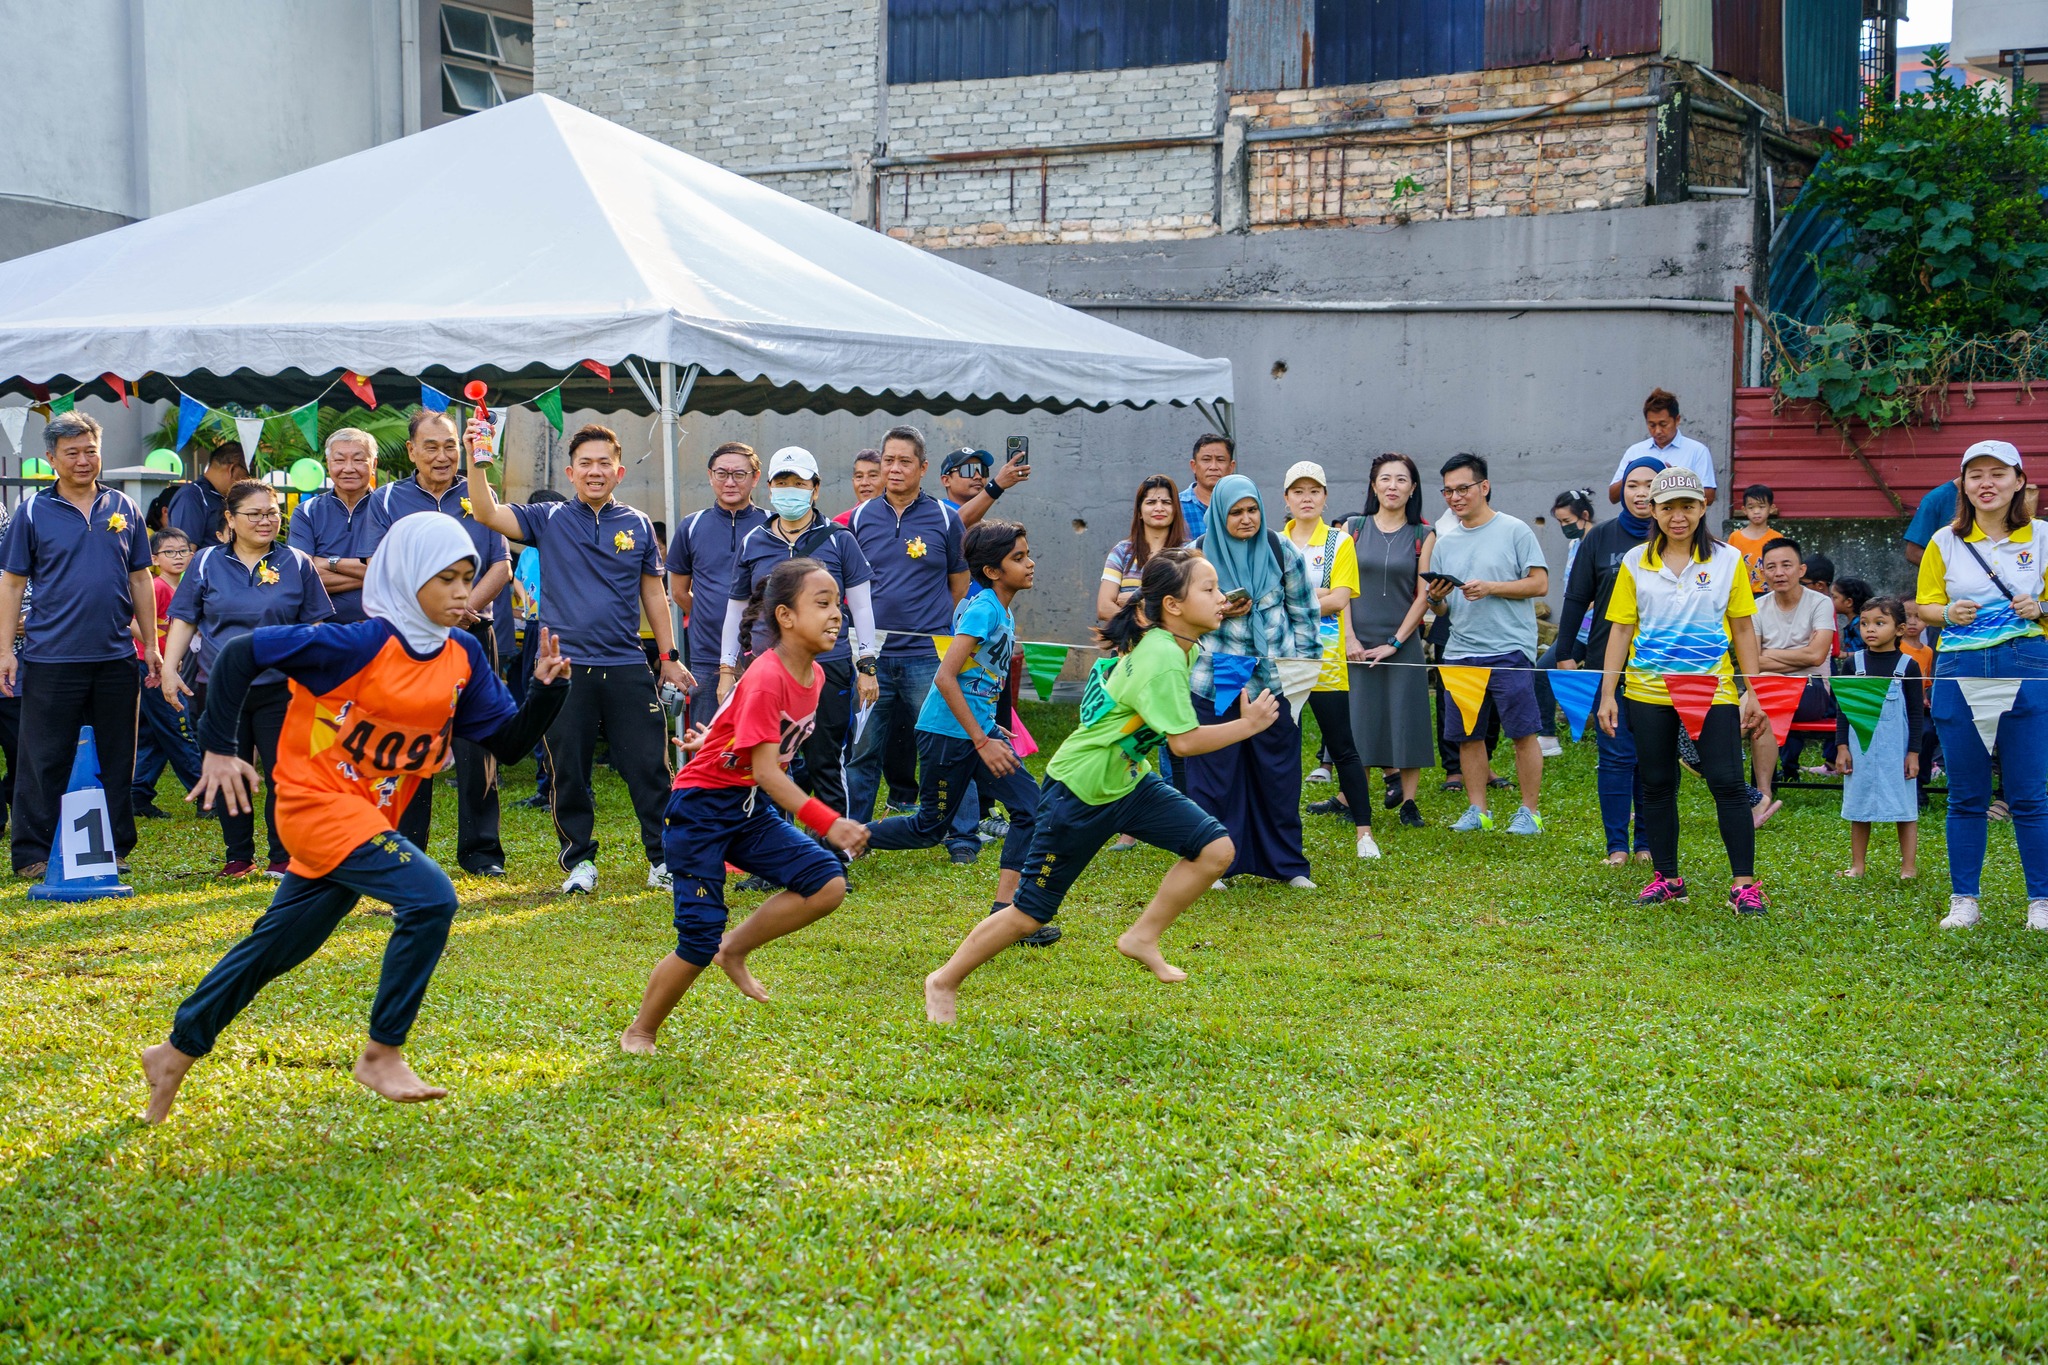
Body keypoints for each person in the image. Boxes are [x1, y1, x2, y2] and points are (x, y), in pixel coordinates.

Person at [140, 513, 572, 1123]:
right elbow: (238, 653)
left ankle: (174, 1051)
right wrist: (220, 748)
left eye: (467, 578)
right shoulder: (356, 642)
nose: (459, 593)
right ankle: (382, 1052)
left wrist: (547, 693)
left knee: (277, 947)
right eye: (444, 578)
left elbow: (506, 743)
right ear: (404, 577)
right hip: (313, 804)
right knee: (431, 898)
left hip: (369, 817)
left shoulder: (464, 654)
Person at [922, 550, 1274, 1024]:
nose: (1219, 597)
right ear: (1172, 604)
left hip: (1128, 781)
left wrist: (1215, 606)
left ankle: (1141, 937)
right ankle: (943, 980)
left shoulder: (1173, 640)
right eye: (1208, 589)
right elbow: (1184, 742)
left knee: (1215, 849)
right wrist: (1248, 726)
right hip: (1081, 789)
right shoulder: (1165, 656)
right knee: (1029, 913)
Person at [619, 559, 866, 1053]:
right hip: (700, 811)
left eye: (838, 603)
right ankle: (640, 1030)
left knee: (826, 884)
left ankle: (735, 949)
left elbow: (746, 724)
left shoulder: (813, 676)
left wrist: (712, 738)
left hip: (748, 807)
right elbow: (771, 770)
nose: (837, 615)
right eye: (822, 604)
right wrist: (829, 822)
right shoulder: (768, 675)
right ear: (786, 616)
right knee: (696, 940)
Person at [460, 421, 685, 893]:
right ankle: (579, 861)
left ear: (619, 471)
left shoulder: (638, 524)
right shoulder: (549, 518)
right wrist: (477, 459)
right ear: (571, 471)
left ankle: (664, 860)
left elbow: (655, 594)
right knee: (568, 771)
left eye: (604, 462)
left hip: (626, 664)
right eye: (586, 463)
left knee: (650, 767)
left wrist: (668, 655)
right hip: (564, 669)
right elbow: (485, 511)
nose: (595, 471)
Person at [867, 520, 1055, 940]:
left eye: (1027, 554)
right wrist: (982, 738)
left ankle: (1005, 915)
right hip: (949, 735)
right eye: (1019, 558)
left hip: (974, 733)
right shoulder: (984, 607)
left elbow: (978, 681)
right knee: (928, 828)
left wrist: (992, 728)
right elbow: (946, 678)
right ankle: (838, 839)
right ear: (992, 570)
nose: (1030, 564)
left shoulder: (999, 607)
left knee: (1032, 808)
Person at [1596, 467, 1768, 913]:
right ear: (1652, 509)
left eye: (1687, 506)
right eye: (1668, 507)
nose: (1678, 516)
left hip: (1714, 691)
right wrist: (1609, 693)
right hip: (1647, 691)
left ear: (1702, 507)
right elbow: (1620, 630)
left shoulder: (1729, 559)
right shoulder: (1635, 561)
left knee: (1728, 784)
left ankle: (1744, 886)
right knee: (1656, 784)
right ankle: (1668, 878)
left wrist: (1753, 691)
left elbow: (1744, 629)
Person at [0, 412, 158, 878]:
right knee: (43, 757)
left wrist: (151, 644)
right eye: (72, 452)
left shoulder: (124, 507)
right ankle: (31, 852)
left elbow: (140, 577)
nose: (84, 460)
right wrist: (5, 650)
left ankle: (114, 847)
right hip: (51, 657)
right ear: (51, 459)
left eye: (91, 450)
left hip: (114, 656)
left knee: (116, 757)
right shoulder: (32, 511)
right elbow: (11, 585)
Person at [362, 409, 513, 876]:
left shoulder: (479, 493)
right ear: (411, 450)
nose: (443, 455)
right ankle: (408, 848)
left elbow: (501, 566)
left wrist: (464, 610)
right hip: (411, 640)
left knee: (478, 742)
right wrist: (427, 615)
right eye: (431, 446)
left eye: (450, 445)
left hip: (473, 633)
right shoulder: (387, 499)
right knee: (408, 741)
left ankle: (481, 852)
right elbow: (379, 565)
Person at [161, 480, 333, 876]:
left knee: (284, 776)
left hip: (281, 688)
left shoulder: (297, 563)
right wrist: (169, 669)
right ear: (230, 519)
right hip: (220, 689)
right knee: (226, 772)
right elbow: (186, 618)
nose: (265, 521)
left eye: (272, 513)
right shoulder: (205, 561)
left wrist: (322, 681)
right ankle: (238, 856)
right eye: (254, 514)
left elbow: (316, 627)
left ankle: (283, 856)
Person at [1914, 439, 2047, 930]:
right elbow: (1925, 605)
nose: (1986, 483)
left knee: (2030, 793)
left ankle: (2042, 903)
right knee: (1966, 793)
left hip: (2029, 666)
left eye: (1997, 473)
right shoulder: (1944, 541)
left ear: (2019, 481)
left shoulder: (2044, 537)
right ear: (1962, 486)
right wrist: (1945, 612)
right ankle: (1964, 900)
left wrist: (2042, 608)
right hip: (1957, 670)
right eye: (1975, 475)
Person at [719, 446, 878, 826]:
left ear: (815, 489)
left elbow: (862, 607)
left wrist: (867, 664)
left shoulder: (840, 540)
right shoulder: (753, 540)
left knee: (825, 760)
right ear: (769, 488)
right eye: (782, 482)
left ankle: (832, 853)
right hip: (767, 672)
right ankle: (774, 851)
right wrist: (727, 669)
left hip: (828, 667)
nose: (790, 490)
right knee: (769, 761)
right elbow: (735, 609)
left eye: (799, 483)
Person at [1186, 474, 1321, 886]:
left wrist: (1302, 669)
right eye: (1235, 512)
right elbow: (1177, 615)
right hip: (1218, 675)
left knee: (1277, 774)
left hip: (1274, 677)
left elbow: (1304, 613)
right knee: (1215, 774)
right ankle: (1213, 866)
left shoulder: (1281, 550)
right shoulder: (1196, 557)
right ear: (1218, 514)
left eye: (1252, 510)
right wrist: (1223, 610)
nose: (1246, 519)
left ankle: (1286, 865)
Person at [844, 425, 970, 823]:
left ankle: (961, 832)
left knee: (944, 742)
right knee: (863, 748)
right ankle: (853, 833)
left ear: (923, 467)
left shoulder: (945, 519)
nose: (894, 469)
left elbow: (958, 584)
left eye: (904, 461)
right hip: (872, 655)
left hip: (927, 654)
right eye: (888, 460)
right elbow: (850, 582)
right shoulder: (860, 517)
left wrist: (930, 625)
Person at [1426, 453, 1550, 835]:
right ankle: (1477, 810)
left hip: (1510, 648)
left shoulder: (1515, 530)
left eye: (1462, 488)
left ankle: (1529, 812)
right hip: (1461, 651)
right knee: (1467, 735)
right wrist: (1436, 598)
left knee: (1522, 732)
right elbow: (1444, 609)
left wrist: (1492, 587)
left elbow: (1539, 584)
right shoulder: (1444, 542)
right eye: (1448, 490)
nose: (1455, 497)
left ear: (1484, 487)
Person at [1556, 456, 1663, 863]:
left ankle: (1647, 845)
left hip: (1661, 666)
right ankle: (1617, 846)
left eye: (1650, 484)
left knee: (1653, 759)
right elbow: (1576, 597)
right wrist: (1565, 652)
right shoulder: (1600, 538)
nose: (1641, 493)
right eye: (1633, 484)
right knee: (1617, 757)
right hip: (1608, 664)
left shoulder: (1676, 537)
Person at [1282, 461, 1379, 859]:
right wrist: (1311, 602)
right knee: (1281, 750)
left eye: (1314, 491)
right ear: (1286, 499)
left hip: (1326, 661)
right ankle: (1281, 834)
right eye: (1298, 492)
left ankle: (1365, 834)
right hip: (1282, 661)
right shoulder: (1273, 542)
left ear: (1325, 497)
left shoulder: (1340, 542)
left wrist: (1290, 603)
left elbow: (1339, 599)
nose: (1307, 498)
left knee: (1343, 747)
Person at [1344, 453, 1435, 830]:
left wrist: (1395, 642)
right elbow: (1341, 588)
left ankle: (1409, 802)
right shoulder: (1352, 527)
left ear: (1413, 488)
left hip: (1402, 641)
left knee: (1407, 717)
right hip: (1356, 641)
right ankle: (1355, 798)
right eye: (1385, 479)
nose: (1392, 486)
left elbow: (1424, 594)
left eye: (1401, 480)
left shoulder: (1423, 534)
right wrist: (1348, 636)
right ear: (1373, 485)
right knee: (1359, 720)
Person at [668, 442, 770, 729]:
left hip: (763, 654)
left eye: (739, 474)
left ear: (755, 477)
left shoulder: (772, 526)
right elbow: (678, 591)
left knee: (761, 736)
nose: (729, 482)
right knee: (705, 736)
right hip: (707, 655)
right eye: (722, 473)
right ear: (710, 476)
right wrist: (709, 614)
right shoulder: (692, 525)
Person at [1832, 596, 1923, 880]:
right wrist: (1842, 747)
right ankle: (1858, 865)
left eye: (1880, 623)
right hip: (1860, 749)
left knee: (1905, 808)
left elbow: (1917, 714)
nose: (1870, 629)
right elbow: (1844, 710)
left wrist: (1914, 754)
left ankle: (1908, 867)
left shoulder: (1908, 666)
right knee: (1859, 807)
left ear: (1899, 629)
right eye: (1865, 623)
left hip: (1898, 751)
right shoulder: (1852, 666)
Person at [1748, 536, 1834, 817]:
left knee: (1759, 703)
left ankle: (1757, 792)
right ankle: (1760, 797)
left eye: (1786, 565)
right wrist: (1798, 655)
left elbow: (1816, 656)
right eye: (1771, 567)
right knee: (1759, 706)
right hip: (1766, 689)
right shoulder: (1757, 608)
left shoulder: (1820, 603)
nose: (1779, 573)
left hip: (1812, 690)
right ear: (1763, 573)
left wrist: (1768, 656)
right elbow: (1752, 662)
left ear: (1801, 570)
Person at [131, 528, 203, 819]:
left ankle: (137, 793)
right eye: (169, 552)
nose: (178, 557)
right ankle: (207, 796)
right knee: (180, 727)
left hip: (166, 668)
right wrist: (156, 653)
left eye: (183, 551)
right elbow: (132, 622)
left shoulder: (184, 588)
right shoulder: (157, 587)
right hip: (151, 667)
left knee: (154, 735)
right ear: (154, 558)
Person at [1534, 487, 1598, 755]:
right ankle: (1547, 737)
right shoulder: (1574, 545)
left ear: (1584, 515)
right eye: (1560, 522)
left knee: (1604, 684)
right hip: (1578, 630)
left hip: (1601, 630)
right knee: (1543, 671)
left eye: (1568, 522)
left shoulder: (1600, 540)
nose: (1564, 528)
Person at [294, 427, 379, 624]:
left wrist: (328, 563)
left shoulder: (388, 509)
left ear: (373, 464)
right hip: (322, 627)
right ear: (328, 464)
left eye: (358, 460)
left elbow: (397, 575)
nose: (348, 468)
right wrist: (374, 577)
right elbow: (303, 578)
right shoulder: (306, 512)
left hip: (379, 627)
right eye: (339, 460)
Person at [1097, 475, 1190, 624]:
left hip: (1173, 646)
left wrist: (1136, 602)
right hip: (1128, 646)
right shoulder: (1121, 552)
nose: (1159, 508)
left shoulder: (1188, 554)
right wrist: (1150, 625)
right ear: (1139, 511)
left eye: (1166, 502)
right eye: (1151, 502)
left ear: (1175, 510)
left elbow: (1191, 609)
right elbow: (1104, 608)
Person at [1606, 389, 1716, 506]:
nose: (1657, 431)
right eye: (1652, 425)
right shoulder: (1635, 451)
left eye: (1663, 424)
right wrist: (1633, 473)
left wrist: (1679, 481)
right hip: (1641, 523)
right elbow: (1613, 497)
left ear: (1677, 420)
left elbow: (1709, 497)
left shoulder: (1697, 451)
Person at [165, 442, 250, 548]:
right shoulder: (191, 496)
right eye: (247, 474)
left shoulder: (219, 496)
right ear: (232, 469)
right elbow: (186, 551)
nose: (247, 480)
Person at [1179, 434, 1235, 540]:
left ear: (1231, 467)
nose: (1213, 467)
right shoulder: (1176, 506)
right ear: (1194, 466)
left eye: (1220, 460)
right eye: (1206, 460)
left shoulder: (1242, 505)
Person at [1726, 484, 1778, 590]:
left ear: (1771, 508)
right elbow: (1728, 568)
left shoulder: (1777, 538)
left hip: (1768, 594)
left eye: (1762, 507)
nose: (1756, 511)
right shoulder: (1735, 537)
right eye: (1751, 507)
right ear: (1744, 510)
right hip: (1742, 594)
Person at [832, 449, 883, 527]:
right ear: (853, 481)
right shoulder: (840, 523)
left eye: (872, 475)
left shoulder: (898, 520)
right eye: (859, 476)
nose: (864, 483)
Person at [1833, 576, 1873, 653]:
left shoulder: (1859, 625)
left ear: (1849, 602)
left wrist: (1845, 655)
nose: (1830, 600)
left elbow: (1870, 652)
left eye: (1834, 597)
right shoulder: (1854, 623)